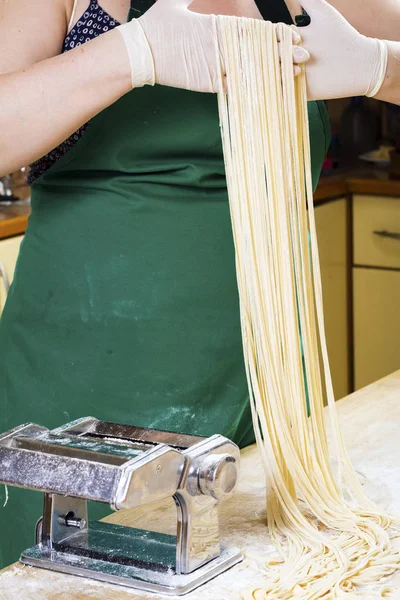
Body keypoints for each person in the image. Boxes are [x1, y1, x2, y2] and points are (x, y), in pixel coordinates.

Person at [0, 0, 391, 569]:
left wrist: (382, 65)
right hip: (84, 379)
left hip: (266, 375)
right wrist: (133, 53)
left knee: (273, 567)